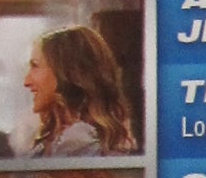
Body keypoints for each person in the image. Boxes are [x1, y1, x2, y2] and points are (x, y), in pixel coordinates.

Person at [24, 27, 137, 156]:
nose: (26, 81)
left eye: (35, 66)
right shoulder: (42, 143)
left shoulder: (96, 151)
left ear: (67, 72)